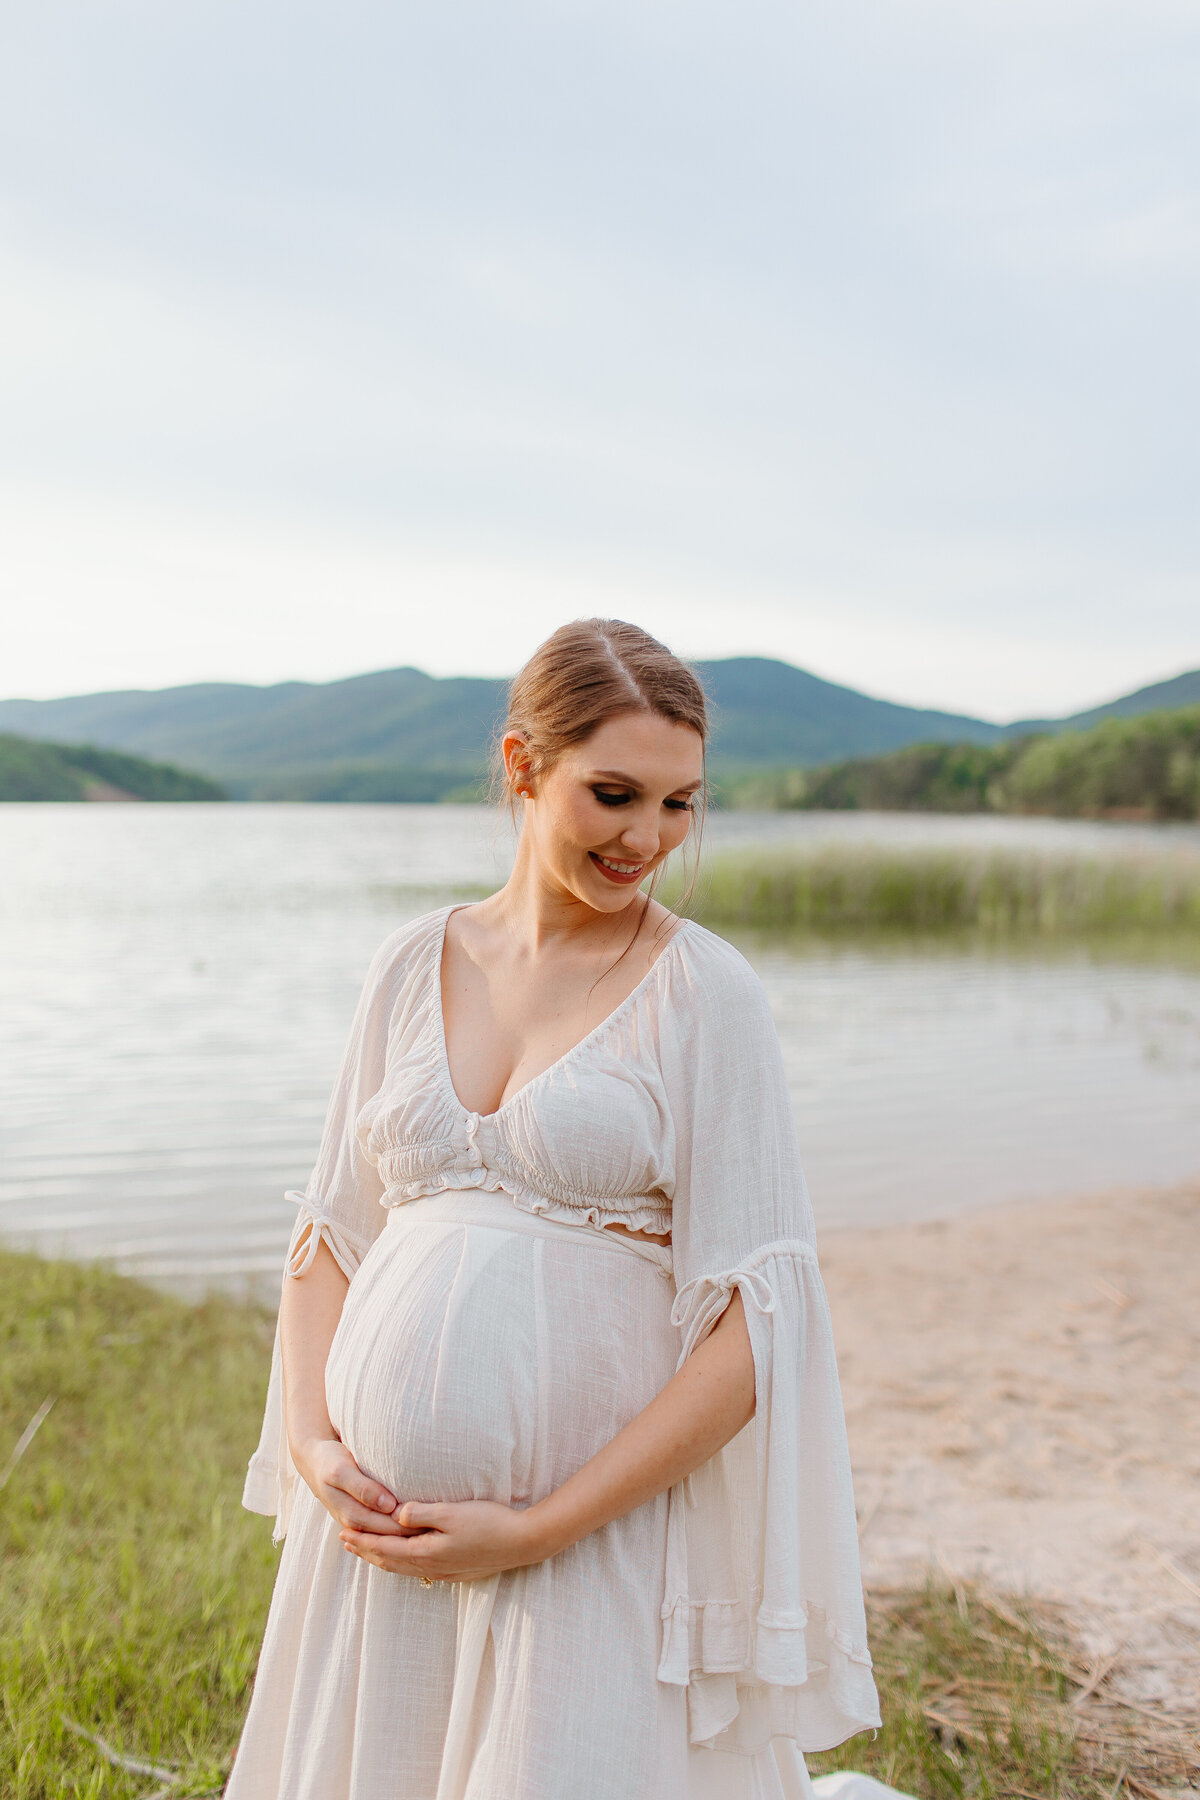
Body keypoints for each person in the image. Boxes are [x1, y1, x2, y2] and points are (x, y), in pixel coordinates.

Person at [227, 619, 887, 1800]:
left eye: (682, 804)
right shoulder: (406, 962)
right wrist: (315, 1444)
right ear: (523, 766)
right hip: (371, 1554)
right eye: (615, 793)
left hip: (585, 1555)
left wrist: (537, 1530)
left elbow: (755, 1329)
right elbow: (327, 1239)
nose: (649, 838)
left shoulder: (706, 992)